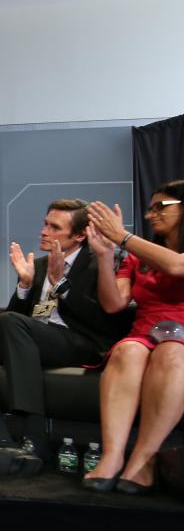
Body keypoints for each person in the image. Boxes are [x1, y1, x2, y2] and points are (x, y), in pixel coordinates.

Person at [0, 199, 129, 476]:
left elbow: (102, 321)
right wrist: (24, 285)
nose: (44, 231)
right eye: (45, 223)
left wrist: (61, 285)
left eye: (54, 227)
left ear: (79, 235)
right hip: (34, 340)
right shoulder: (41, 265)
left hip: (78, 342)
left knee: (12, 324)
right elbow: (10, 322)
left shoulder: (97, 262)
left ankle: (35, 437)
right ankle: (1, 440)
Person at [82, 180, 184, 494]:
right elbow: (114, 303)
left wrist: (123, 236)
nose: (151, 213)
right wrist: (103, 256)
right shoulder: (136, 258)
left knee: (171, 353)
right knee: (127, 351)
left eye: (161, 206)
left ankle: (143, 459)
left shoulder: (154, 252)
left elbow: (176, 265)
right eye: (150, 207)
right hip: (145, 332)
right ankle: (112, 456)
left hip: (180, 336)